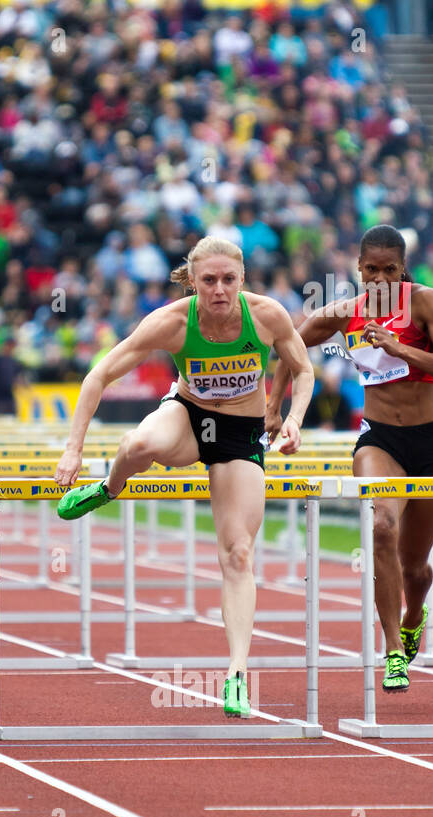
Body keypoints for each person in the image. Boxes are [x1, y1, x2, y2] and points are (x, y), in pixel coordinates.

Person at [54, 236, 315, 718]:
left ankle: (235, 674)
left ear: (242, 279)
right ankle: (108, 488)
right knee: (138, 445)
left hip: (240, 434)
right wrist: (74, 449)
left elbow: (302, 368)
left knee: (238, 553)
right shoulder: (173, 322)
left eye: (228, 280)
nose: (219, 290)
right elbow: (99, 375)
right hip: (189, 418)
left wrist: (294, 417)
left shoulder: (267, 316)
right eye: (209, 280)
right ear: (192, 282)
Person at [267, 224, 433, 693]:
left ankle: (414, 614)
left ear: (403, 270)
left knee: (415, 566)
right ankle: (393, 651)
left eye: (390, 271)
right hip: (379, 439)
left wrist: (400, 347)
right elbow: (291, 345)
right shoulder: (344, 314)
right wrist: (273, 406)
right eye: (371, 270)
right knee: (381, 528)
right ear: (359, 269)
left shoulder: (425, 304)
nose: (380, 280)